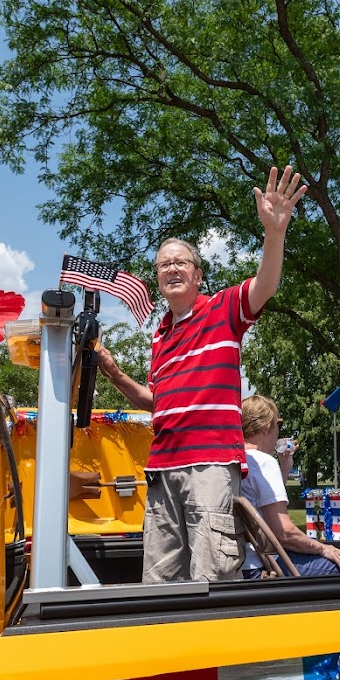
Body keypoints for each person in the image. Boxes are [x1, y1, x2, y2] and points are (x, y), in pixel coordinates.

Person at [97, 166, 308, 582]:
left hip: (210, 465)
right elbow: (157, 402)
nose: (171, 269)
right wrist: (116, 375)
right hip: (161, 469)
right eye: (163, 265)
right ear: (157, 279)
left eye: (180, 263)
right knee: (157, 583)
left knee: (213, 577)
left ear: (198, 274)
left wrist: (274, 232)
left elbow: (264, 285)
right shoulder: (159, 336)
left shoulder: (223, 309)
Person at [239, 395, 340, 578]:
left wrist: (284, 467)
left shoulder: (238, 460)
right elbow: (284, 532)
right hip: (264, 564)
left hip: (245, 563)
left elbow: (265, 507)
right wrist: (323, 548)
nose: (279, 431)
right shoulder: (264, 462)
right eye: (278, 424)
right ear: (265, 426)